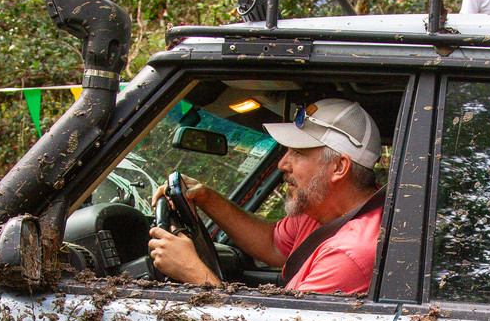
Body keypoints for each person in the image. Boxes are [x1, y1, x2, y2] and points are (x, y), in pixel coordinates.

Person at [147, 98, 385, 294]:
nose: (282, 164)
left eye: (298, 152)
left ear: (339, 167)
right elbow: (272, 243)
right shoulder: (322, 209)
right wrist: (206, 198)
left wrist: (192, 270)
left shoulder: (349, 253)